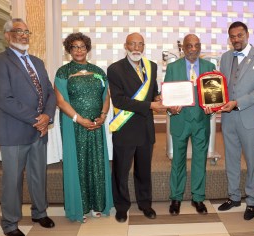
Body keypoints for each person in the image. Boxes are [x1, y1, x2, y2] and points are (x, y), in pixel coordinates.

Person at [0, 18, 56, 236]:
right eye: (18, 31)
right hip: (14, 131)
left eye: (27, 31)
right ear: (7, 35)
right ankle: (9, 223)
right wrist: (37, 119)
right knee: (13, 180)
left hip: (39, 130)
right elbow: (4, 99)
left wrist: (47, 117)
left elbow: (49, 92)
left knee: (39, 176)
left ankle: (40, 213)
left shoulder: (37, 61)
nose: (24, 35)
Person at [54, 32, 113, 223]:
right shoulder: (63, 72)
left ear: (87, 49)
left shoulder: (98, 71)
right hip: (74, 125)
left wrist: (102, 116)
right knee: (78, 163)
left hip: (96, 124)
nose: (79, 50)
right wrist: (79, 119)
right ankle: (81, 207)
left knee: (96, 163)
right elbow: (61, 101)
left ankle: (97, 204)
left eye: (82, 46)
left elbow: (106, 96)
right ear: (69, 50)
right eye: (74, 47)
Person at [107, 33, 166, 223]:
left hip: (145, 128)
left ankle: (145, 204)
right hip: (125, 127)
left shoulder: (151, 67)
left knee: (144, 170)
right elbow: (119, 100)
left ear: (144, 47)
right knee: (121, 171)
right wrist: (150, 105)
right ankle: (122, 207)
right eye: (132, 44)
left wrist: (157, 98)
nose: (136, 48)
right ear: (125, 46)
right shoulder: (115, 69)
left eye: (140, 44)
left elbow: (153, 92)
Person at [218, 21, 254, 220]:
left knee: (252, 161)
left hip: (250, 117)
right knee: (230, 159)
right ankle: (233, 197)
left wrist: (238, 102)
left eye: (239, 35)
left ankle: (251, 201)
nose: (236, 39)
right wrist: (212, 102)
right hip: (228, 117)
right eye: (232, 36)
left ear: (247, 35)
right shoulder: (224, 57)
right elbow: (220, 85)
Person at [164, 34, 216, 216]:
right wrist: (171, 108)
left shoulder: (210, 67)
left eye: (196, 45)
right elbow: (167, 95)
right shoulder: (172, 67)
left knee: (200, 160)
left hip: (201, 121)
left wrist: (213, 106)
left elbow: (213, 94)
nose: (193, 49)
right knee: (177, 161)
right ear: (183, 48)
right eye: (189, 46)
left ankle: (198, 197)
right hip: (180, 120)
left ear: (200, 47)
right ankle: (176, 197)